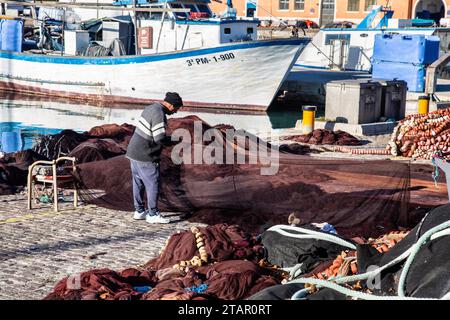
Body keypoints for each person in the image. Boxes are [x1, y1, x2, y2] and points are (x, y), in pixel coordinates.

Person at [126, 92, 183, 224]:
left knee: (138, 182)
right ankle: (153, 214)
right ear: (170, 105)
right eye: (176, 108)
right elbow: (159, 138)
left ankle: (139, 211)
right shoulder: (159, 114)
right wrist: (175, 141)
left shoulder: (151, 107)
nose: (175, 112)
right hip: (145, 154)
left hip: (133, 152)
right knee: (153, 184)